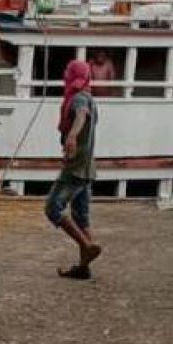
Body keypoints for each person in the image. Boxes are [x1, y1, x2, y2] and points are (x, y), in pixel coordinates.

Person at [45, 58, 102, 279]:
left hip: (76, 167)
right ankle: (83, 267)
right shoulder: (89, 97)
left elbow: (80, 116)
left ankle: (86, 246)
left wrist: (71, 135)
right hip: (87, 167)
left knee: (52, 208)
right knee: (81, 217)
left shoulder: (78, 98)